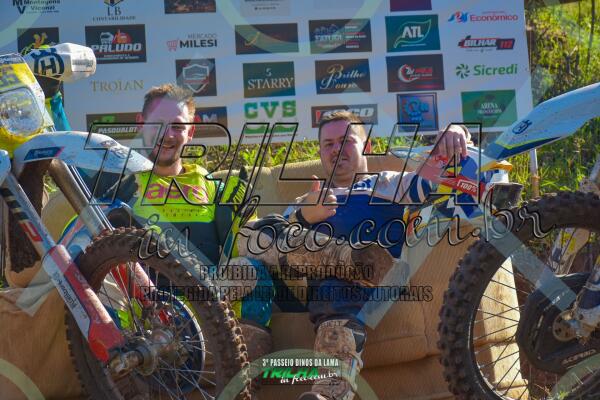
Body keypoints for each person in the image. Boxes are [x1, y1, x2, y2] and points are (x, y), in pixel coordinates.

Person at [285, 111, 470, 400]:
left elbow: (438, 181)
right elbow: (269, 243)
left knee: (336, 285)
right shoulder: (307, 199)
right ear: (320, 152)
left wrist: (456, 133)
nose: (336, 150)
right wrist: (303, 216)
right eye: (328, 144)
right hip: (310, 285)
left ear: (367, 146)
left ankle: (332, 393)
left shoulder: (387, 184)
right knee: (250, 262)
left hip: (367, 281)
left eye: (345, 141)